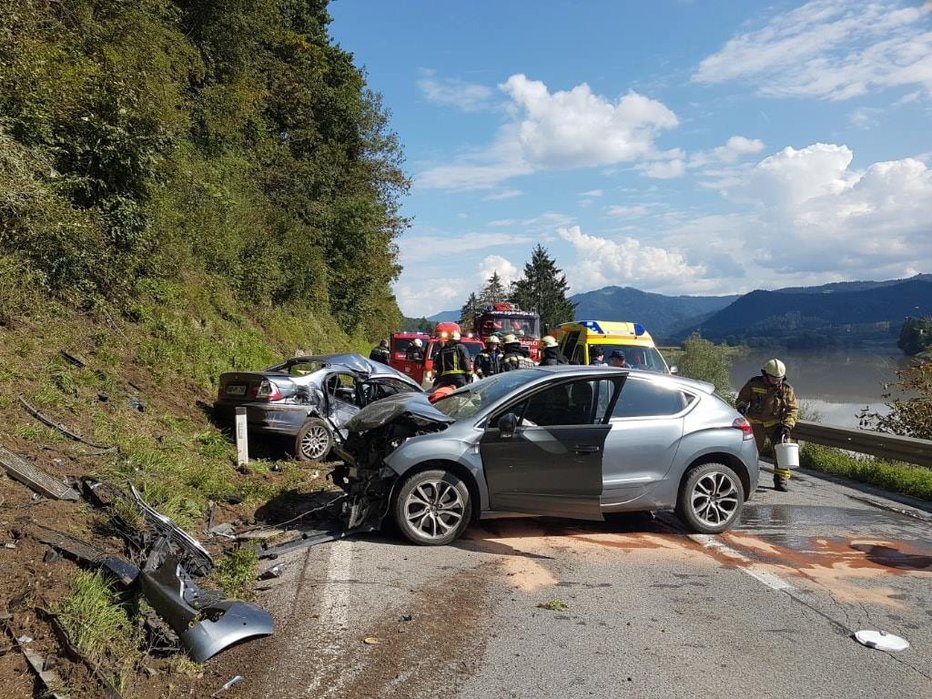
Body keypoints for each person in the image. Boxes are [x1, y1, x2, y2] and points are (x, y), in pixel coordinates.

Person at [736, 358, 799, 492]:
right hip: (755, 423)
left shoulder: (786, 389)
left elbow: (792, 409)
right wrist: (741, 408)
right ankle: (746, 478)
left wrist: (787, 426)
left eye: (779, 378)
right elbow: (742, 398)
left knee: (782, 450)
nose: (776, 381)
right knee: (751, 452)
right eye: (773, 378)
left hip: (775, 425)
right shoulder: (754, 384)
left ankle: (780, 479)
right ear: (765, 375)